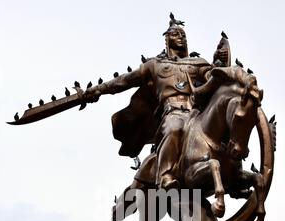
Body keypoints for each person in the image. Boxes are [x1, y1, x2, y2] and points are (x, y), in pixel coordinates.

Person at [85, 14, 229, 189]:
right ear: (167, 39)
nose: (181, 38)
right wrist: (97, 90)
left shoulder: (198, 63)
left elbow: (213, 79)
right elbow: (124, 81)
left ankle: (232, 170)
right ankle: (165, 175)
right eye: (176, 34)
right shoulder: (155, 65)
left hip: (196, 112)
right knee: (175, 127)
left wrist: (222, 67)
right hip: (172, 112)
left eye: (183, 35)